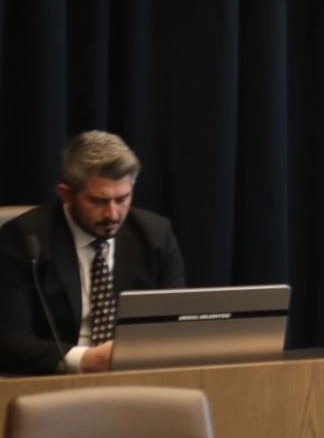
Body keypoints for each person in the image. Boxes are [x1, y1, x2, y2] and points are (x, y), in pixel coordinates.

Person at [0, 131, 186, 374]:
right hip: (55, 378)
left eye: (122, 199)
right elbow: (9, 340)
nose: (113, 214)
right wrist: (84, 359)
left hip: (137, 374)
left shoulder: (155, 235)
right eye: (98, 201)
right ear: (66, 195)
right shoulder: (23, 239)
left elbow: (176, 324)